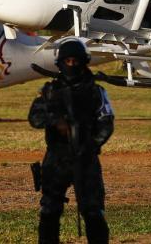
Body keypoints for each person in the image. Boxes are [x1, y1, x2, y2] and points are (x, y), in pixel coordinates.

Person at [28, 38, 114, 244]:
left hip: (86, 157)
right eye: (68, 61)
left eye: (76, 61)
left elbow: (106, 123)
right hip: (57, 158)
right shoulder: (49, 91)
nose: (72, 65)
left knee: (93, 212)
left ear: (84, 62)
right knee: (49, 210)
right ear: (61, 63)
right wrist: (55, 120)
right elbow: (35, 118)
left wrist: (91, 145)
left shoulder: (96, 91)